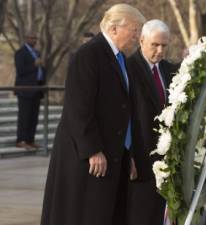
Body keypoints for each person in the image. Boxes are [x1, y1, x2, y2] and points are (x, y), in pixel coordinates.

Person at [40, 4, 145, 225]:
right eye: (135, 30)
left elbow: (125, 109)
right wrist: (93, 150)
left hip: (115, 154)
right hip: (89, 157)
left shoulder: (121, 59)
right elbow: (78, 107)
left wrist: (129, 154)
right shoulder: (89, 54)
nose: (137, 37)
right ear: (115, 28)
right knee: (85, 214)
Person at [126, 19, 179, 225]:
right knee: (139, 215)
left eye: (164, 46)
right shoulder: (129, 68)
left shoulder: (169, 70)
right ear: (141, 41)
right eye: (154, 45)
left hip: (166, 159)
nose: (159, 50)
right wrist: (128, 155)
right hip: (139, 157)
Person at [14, 32, 46, 150]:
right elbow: (21, 70)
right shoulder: (20, 53)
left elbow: (41, 69)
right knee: (24, 116)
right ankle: (21, 140)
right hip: (25, 90)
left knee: (34, 116)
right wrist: (34, 65)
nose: (34, 40)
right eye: (32, 38)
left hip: (37, 88)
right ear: (26, 39)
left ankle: (30, 140)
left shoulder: (37, 53)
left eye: (35, 38)